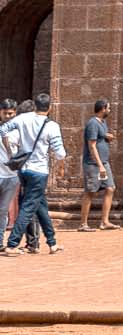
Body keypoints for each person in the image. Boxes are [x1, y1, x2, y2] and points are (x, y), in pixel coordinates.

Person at [6, 94, 65, 254]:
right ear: (50, 107)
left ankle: (52, 243)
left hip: (23, 169)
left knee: (41, 206)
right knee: (28, 207)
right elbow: (60, 153)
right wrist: (61, 168)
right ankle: (12, 243)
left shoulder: (24, 119)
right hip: (39, 171)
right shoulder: (52, 126)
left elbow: (3, 129)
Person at [79, 100, 116, 231]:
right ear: (103, 109)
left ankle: (104, 221)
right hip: (93, 164)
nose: (110, 111)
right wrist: (100, 165)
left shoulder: (102, 123)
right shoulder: (92, 124)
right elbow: (92, 145)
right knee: (90, 191)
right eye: (109, 108)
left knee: (110, 188)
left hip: (104, 162)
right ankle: (83, 223)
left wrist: (107, 136)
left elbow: (100, 137)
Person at [0, 99, 21, 254]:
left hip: (11, 176)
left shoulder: (19, 132)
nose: (8, 116)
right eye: (5, 113)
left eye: (11, 113)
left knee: (2, 210)